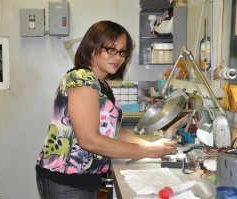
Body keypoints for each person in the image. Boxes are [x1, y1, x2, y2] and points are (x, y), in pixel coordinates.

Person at [35, 20, 177, 199]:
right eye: (111, 49)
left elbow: (113, 131)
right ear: (92, 47)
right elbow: (89, 140)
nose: (117, 57)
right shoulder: (81, 79)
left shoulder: (102, 83)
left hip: (84, 179)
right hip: (65, 180)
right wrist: (148, 151)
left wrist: (148, 144)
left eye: (122, 52)